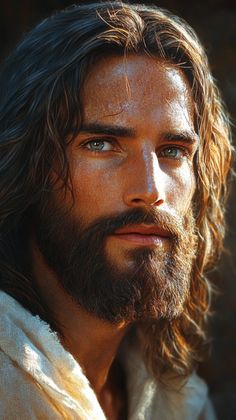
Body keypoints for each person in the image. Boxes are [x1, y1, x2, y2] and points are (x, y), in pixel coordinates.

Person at [0, 2, 232, 419]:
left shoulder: (179, 403)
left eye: (173, 151)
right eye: (101, 144)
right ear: (28, 167)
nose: (150, 190)